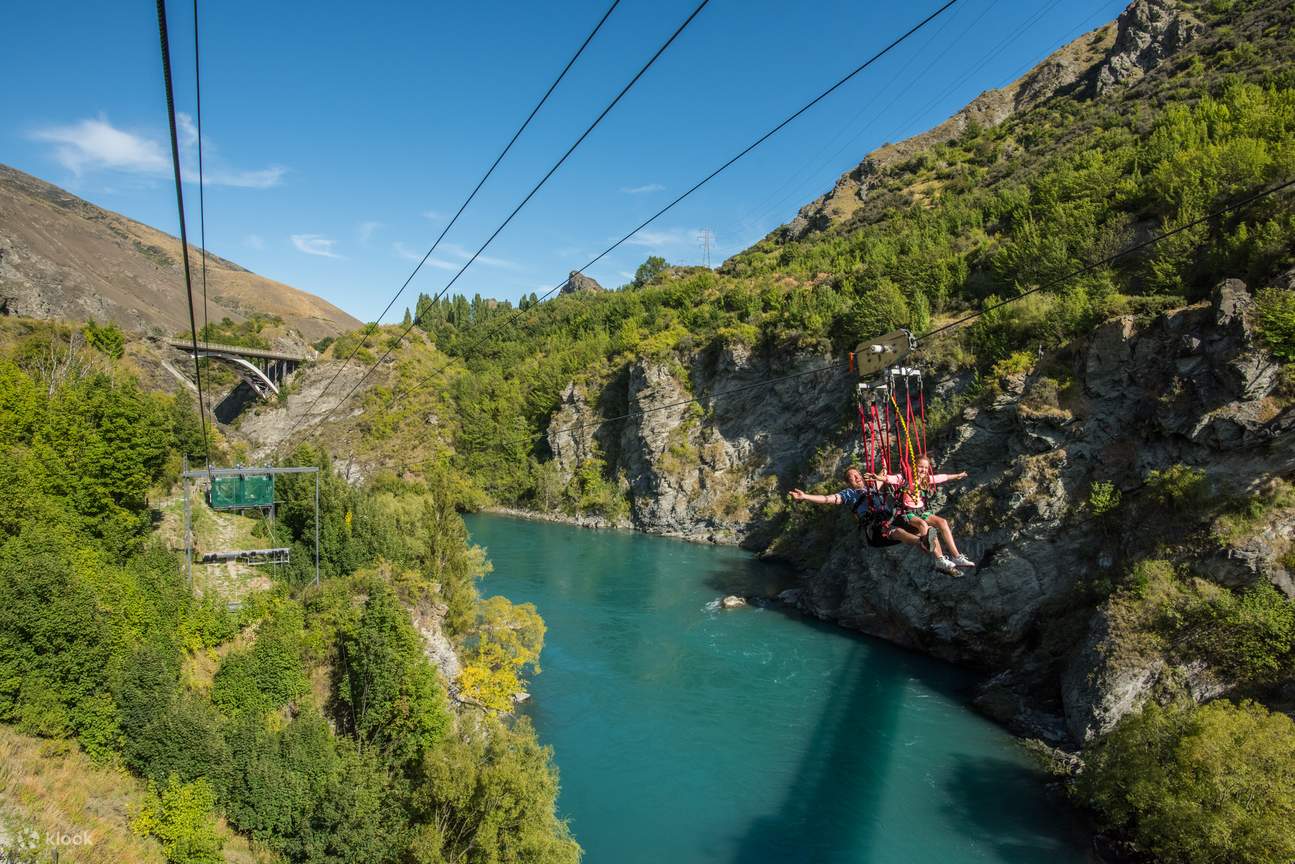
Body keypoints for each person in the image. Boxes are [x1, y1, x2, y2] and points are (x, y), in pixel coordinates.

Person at [789, 466, 959, 574]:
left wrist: (883, 469)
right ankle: (922, 542)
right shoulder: (849, 495)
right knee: (896, 531)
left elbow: (882, 476)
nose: (856, 478)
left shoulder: (872, 487)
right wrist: (805, 497)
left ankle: (940, 560)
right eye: (851, 477)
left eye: (857, 475)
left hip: (889, 520)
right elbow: (828, 499)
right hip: (875, 529)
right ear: (848, 483)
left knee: (922, 523)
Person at [875, 455, 975, 570]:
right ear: (914, 467)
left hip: (921, 511)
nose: (923, 470)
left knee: (942, 522)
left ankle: (956, 556)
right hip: (906, 512)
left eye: (926, 468)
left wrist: (957, 476)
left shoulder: (925, 479)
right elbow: (892, 479)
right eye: (920, 467)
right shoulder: (905, 478)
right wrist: (880, 478)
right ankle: (940, 559)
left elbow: (942, 477)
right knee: (923, 524)